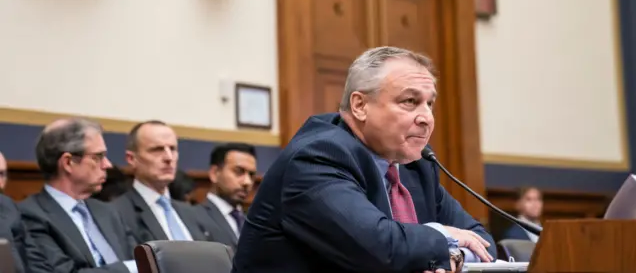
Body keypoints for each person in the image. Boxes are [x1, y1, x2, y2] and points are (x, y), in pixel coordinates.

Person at [232, 46, 497, 273]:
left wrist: (454, 256)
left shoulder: (415, 167)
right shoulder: (317, 158)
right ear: (359, 106)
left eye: (430, 104)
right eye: (410, 101)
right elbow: (379, 248)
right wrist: (446, 236)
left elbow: (483, 242)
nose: (426, 117)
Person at [19, 118, 138, 273]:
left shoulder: (109, 212)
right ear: (68, 162)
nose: (107, 165)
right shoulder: (30, 216)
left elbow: (141, 260)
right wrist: (129, 269)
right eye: (98, 156)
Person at [112, 120, 212, 244]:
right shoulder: (117, 213)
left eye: (173, 149)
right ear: (132, 159)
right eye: (157, 149)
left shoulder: (192, 213)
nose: (169, 157)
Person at [199, 143, 257, 251]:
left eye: (251, 175)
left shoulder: (254, 221)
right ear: (214, 173)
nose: (247, 182)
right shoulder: (194, 216)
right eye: (239, 172)